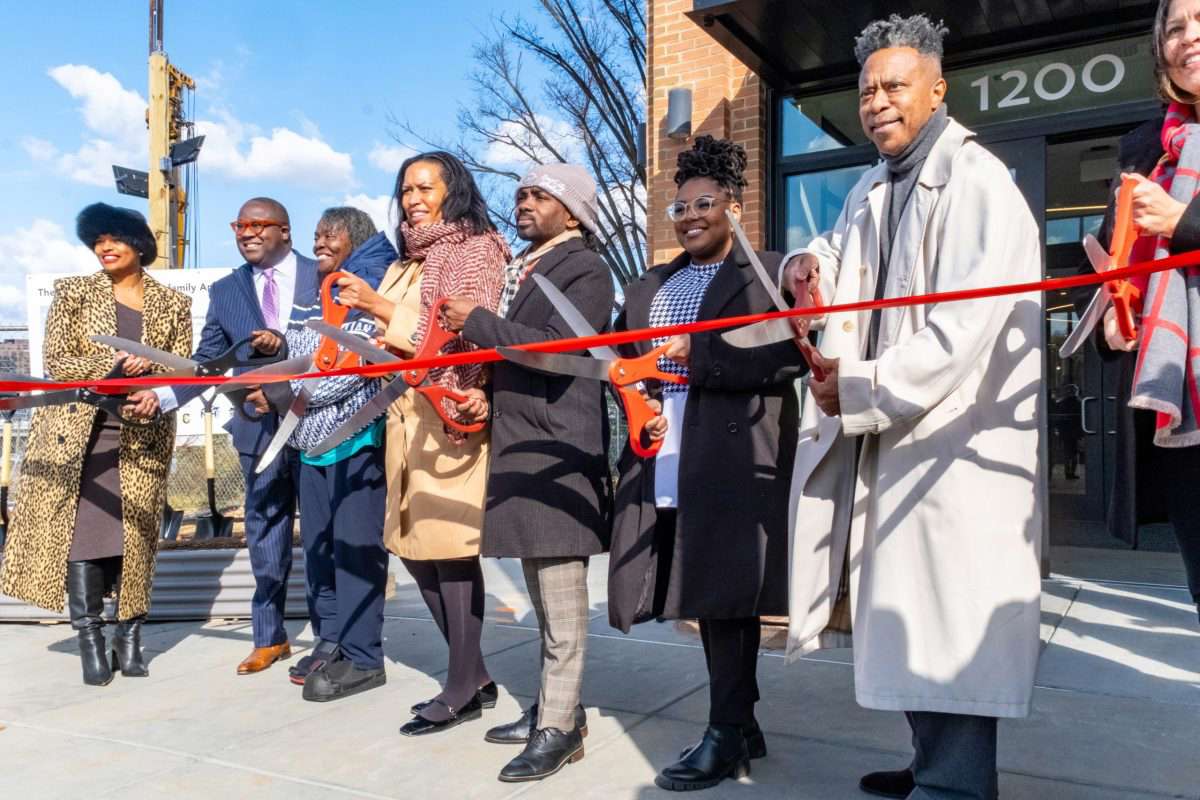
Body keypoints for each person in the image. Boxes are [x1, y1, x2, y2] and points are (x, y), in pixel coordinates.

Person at [782, 15, 1043, 800]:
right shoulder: (873, 186)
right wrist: (805, 263)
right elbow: (841, 257)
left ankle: (956, 784)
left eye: (895, 86)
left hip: (954, 443)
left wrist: (857, 387)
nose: (877, 102)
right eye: (866, 91)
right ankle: (933, 764)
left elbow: (961, 330)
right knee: (904, 611)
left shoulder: (979, 182)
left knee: (949, 615)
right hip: (891, 434)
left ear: (938, 90)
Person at [605, 136, 807, 792]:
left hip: (735, 449)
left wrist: (703, 361)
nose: (690, 217)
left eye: (704, 204)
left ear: (734, 209)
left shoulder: (768, 274)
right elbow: (623, 361)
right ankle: (741, 723)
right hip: (665, 447)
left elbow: (791, 356)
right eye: (680, 207)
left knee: (726, 593)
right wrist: (640, 398)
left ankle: (726, 732)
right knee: (710, 595)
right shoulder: (651, 285)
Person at [441, 163, 612, 782]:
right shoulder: (527, 267)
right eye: (521, 194)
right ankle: (556, 707)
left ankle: (558, 729)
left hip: (557, 451)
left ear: (573, 212)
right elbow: (518, 355)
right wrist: (485, 396)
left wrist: (476, 322)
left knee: (562, 604)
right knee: (543, 599)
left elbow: (555, 350)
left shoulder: (586, 269)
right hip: (523, 444)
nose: (524, 202)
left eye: (540, 195)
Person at [335, 154, 509, 731]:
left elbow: (463, 342)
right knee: (413, 550)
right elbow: (392, 341)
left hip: (451, 411)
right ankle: (475, 674)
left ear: (452, 191)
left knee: (449, 550)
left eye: (425, 188)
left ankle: (461, 686)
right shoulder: (408, 259)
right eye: (406, 189)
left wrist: (378, 306)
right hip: (402, 415)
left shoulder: (476, 249)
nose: (412, 198)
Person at [0, 203, 191, 686]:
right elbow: (59, 361)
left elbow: (183, 367)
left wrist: (151, 374)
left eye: (114, 238)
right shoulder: (74, 292)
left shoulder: (173, 303)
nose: (104, 247)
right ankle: (90, 637)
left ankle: (129, 637)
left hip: (142, 432)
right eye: (96, 241)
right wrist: (114, 365)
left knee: (136, 536)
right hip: (77, 434)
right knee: (82, 535)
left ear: (139, 243)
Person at [1086, 0, 1200, 626]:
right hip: (1180, 413)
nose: (1189, 37)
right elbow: (1114, 264)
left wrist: (1184, 221)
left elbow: (1180, 229)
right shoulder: (1145, 153)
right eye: (1175, 28)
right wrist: (1112, 322)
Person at [176, 197, 319, 675]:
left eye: (259, 224)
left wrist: (286, 346)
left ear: (285, 231)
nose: (247, 233)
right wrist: (163, 395)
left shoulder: (321, 276)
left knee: (321, 531)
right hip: (257, 427)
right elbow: (208, 362)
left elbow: (337, 345)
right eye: (240, 225)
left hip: (318, 422)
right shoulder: (226, 291)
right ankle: (269, 636)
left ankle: (330, 638)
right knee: (264, 530)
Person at [280, 207, 398, 701]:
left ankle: (363, 654)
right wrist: (298, 378)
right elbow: (295, 354)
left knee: (356, 553)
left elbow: (349, 369)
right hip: (310, 446)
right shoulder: (314, 291)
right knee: (320, 551)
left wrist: (293, 387)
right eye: (316, 235)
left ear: (357, 238)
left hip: (356, 439)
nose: (319, 243)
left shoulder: (369, 286)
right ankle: (330, 638)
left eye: (330, 234)